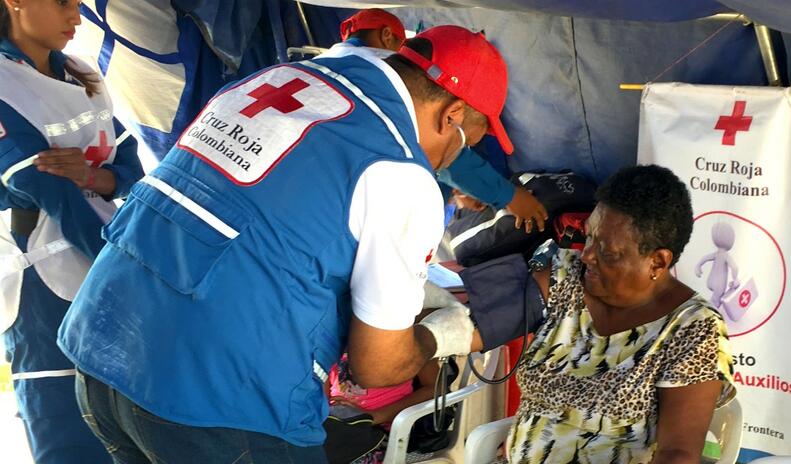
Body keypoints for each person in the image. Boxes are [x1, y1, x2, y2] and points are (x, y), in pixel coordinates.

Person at [56, 25, 506, 462]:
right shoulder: (402, 171)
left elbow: (276, 225)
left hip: (102, 349)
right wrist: (443, 335)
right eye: (466, 143)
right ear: (451, 116)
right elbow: (378, 367)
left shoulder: (277, 80)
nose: (451, 160)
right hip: (218, 402)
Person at [457, 165, 736, 463]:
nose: (587, 254)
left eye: (608, 251)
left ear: (657, 261)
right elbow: (475, 328)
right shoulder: (567, 276)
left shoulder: (693, 328)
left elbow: (677, 454)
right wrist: (438, 329)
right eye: (589, 237)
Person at [0, 1, 144, 462]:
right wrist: (121, 271)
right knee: (66, 426)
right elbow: (41, 185)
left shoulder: (81, 74)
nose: (77, 17)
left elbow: (130, 163)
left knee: (126, 416)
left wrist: (95, 177)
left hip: (103, 256)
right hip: (42, 281)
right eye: (63, 1)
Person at [334, 8, 548, 233]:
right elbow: (445, 154)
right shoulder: (379, 78)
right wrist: (508, 196)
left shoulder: (337, 67)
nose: (400, 57)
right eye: (464, 143)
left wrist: (457, 188)